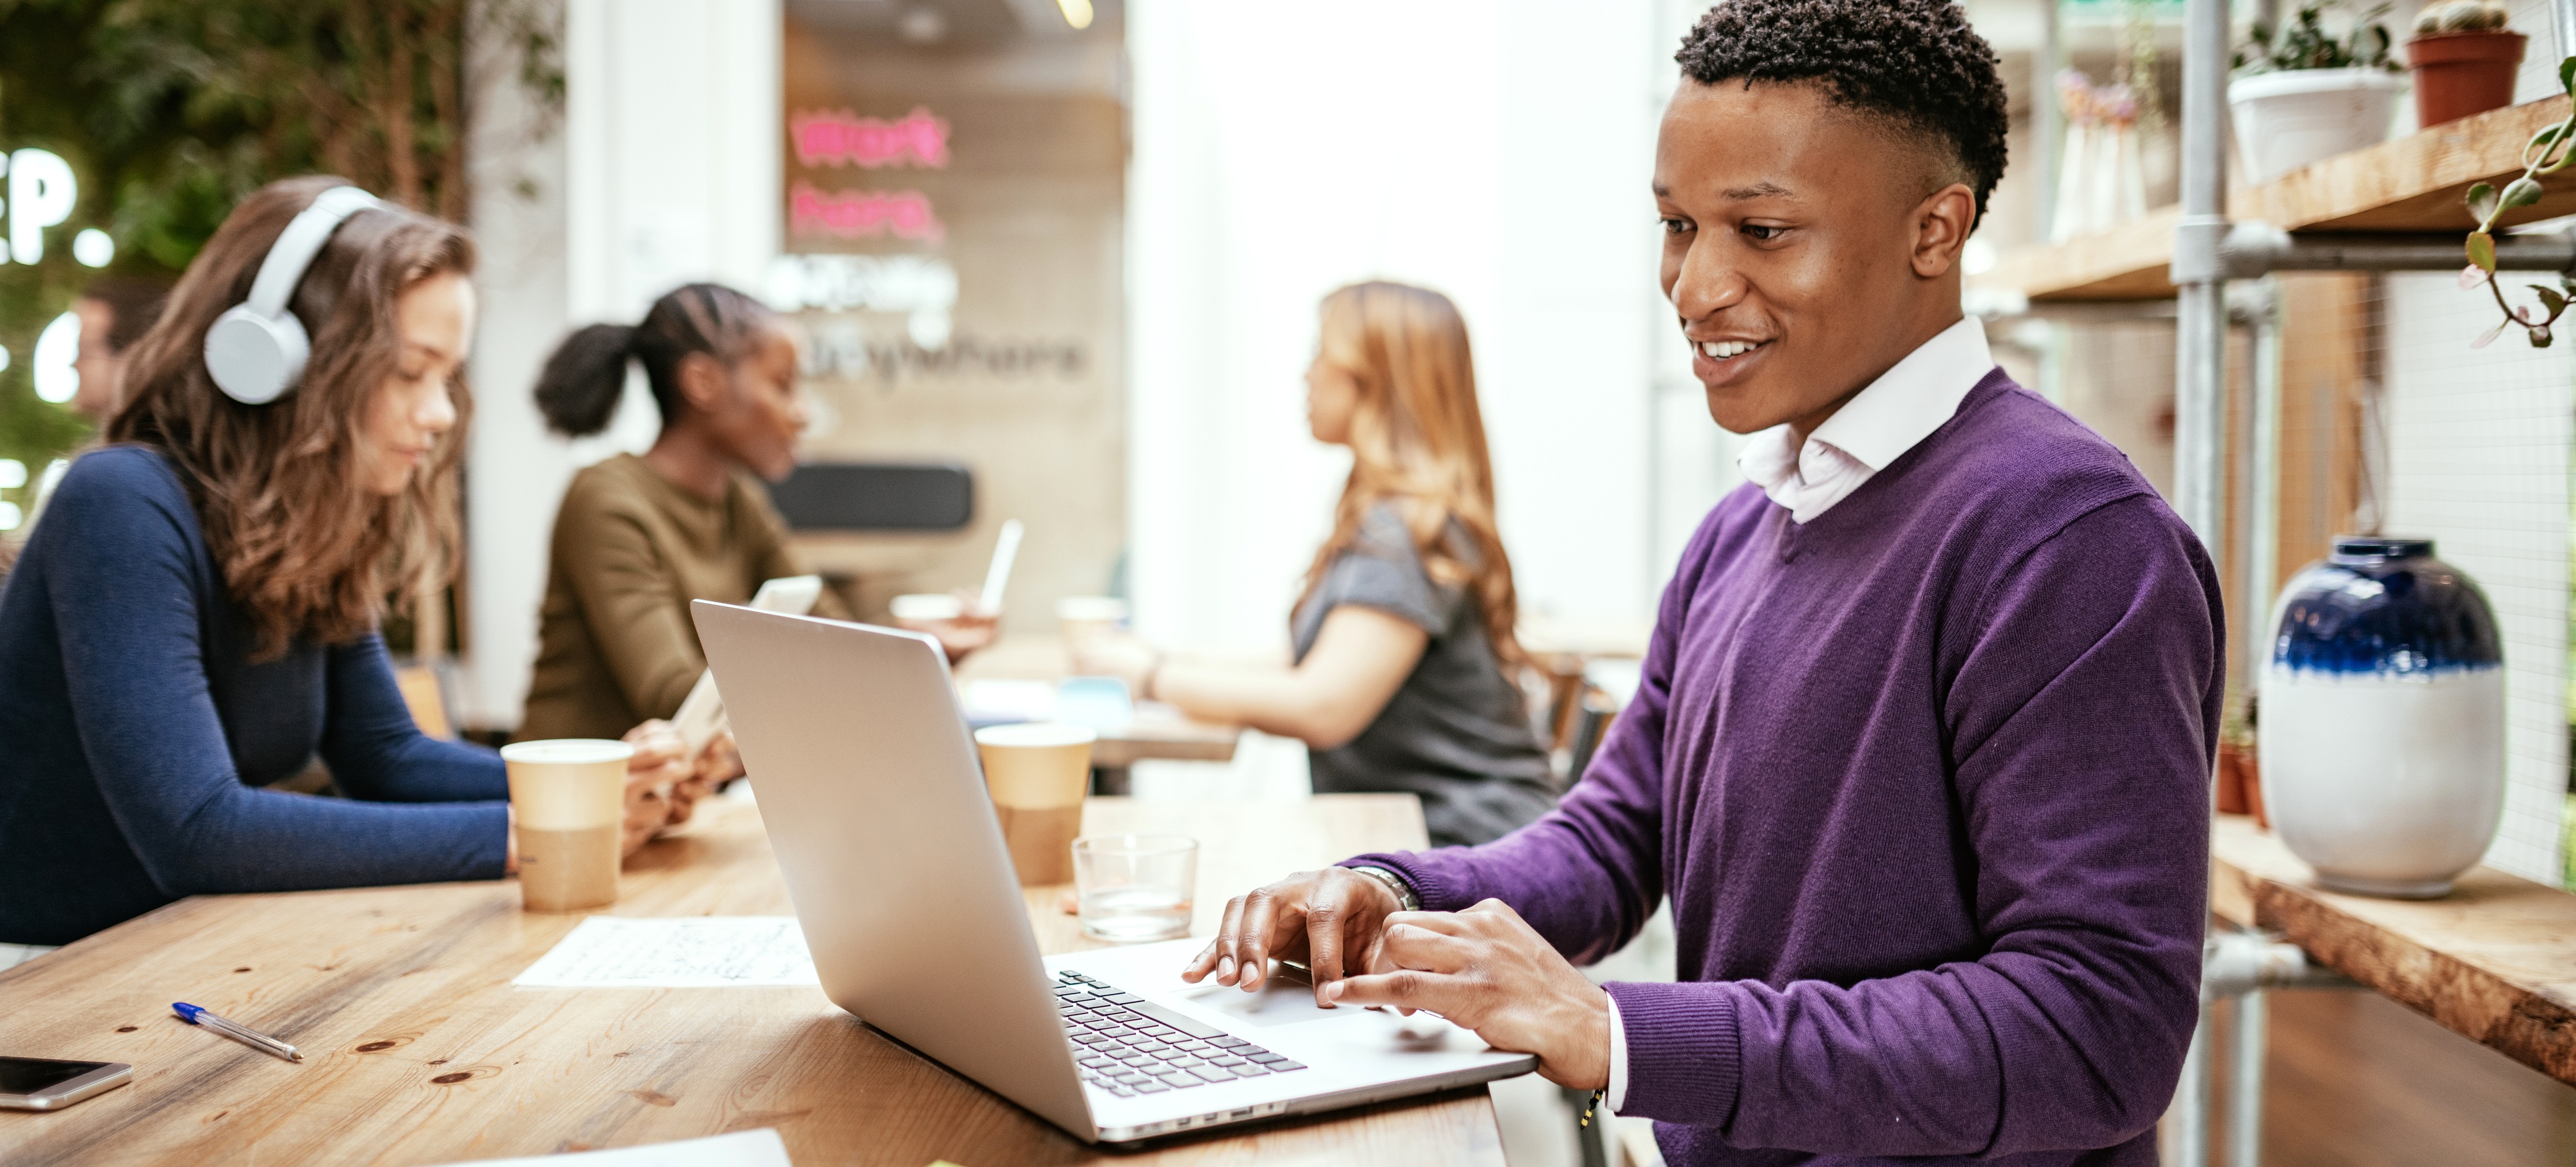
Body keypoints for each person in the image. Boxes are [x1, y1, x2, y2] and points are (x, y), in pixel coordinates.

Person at [1182, 5, 2221, 1166]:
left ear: (1936, 230)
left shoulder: (2069, 542)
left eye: (1763, 230)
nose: (1692, 285)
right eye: (1676, 225)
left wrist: (1618, 1031)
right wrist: (1385, 888)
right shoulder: (1743, 527)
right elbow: (1614, 840)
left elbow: (2095, 1034)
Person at [0, 177, 719, 954]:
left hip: (177, 950)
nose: (441, 413)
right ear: (276, 358)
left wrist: (614, 780)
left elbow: (387, 756)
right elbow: (200, 830)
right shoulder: (120, 502)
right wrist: (540, 832)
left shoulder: (309, 522)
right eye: (411, 371)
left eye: (446, 377)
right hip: (48, 984)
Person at [1078, 281, 1555, 847]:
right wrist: (1164, 659)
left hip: (1473, 851)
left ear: (1375, 378)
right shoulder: (1401, 515)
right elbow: (1305, 664)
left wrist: (1150, 677)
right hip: (1443, 839)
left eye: (1320, 354)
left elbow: (1323, 704)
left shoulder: (1407, 530)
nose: (1308, 374)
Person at [516, 284, 998, 743]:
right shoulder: (607, 499)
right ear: (701, 381)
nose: (802, 412)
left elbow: (827, 630)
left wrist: (919, 649)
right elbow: (674, 695)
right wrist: (875, 672)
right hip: (577, 808)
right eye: (783, 385)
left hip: (680, 802)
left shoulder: (738, 500)